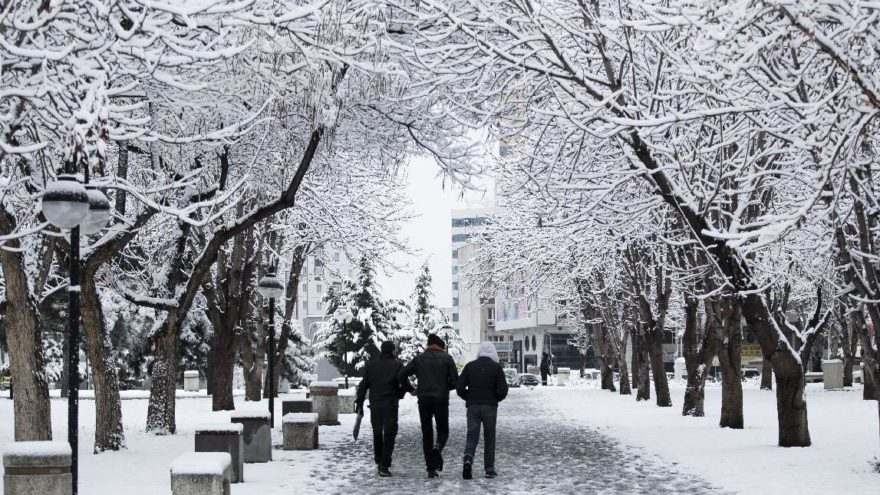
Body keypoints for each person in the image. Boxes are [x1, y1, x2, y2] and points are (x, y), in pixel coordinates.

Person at [398, 333, 459, 478]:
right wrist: (446, 387)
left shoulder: (419, 359)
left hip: (424, 399)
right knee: (443, 430)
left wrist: (411, 389)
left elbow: (401, 374)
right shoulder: (447, 358)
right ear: (441, 347)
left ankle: (430, 468)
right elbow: (456, 381)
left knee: (427, 433)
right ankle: (437, 448)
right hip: (441, 399)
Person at [356, 341, 410, 477]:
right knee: (390, 434)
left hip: (375, 405)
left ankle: (378, 458)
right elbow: (404, 383)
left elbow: (363, 386)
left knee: (377, 433)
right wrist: (400, 394)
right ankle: (384, 465)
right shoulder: (397, 365)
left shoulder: (371, 365)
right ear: (392, 351)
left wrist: (360, 403)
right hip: (390, 404)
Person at [456, 342, 509, 480]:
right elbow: (503, 390)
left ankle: (468, 458)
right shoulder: (496, 368)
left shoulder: (470, 366)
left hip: (473, 407)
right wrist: (495, 398)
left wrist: (469, 397)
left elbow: (460, 387)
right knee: (489, 437)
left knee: (472, 435)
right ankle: (489, 469)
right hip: (490, 407)